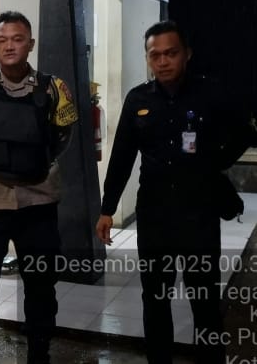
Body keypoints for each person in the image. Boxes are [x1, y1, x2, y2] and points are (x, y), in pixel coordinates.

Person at [95, 20, 252, 364]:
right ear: (148, 58)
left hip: (199, 215)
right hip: (155, 217)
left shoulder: (209, 93)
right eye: (156, 55)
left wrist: (215, 162)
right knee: (155, 300)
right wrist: (107, 209)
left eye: (171, 53)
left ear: (187, 54)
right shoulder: (138, 99)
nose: (163, 61)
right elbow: (122, 157)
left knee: (204, 301)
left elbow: (244, 132)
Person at [0, 11, 78, 364]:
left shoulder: (53, 88)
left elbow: (64, 135)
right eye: (2, 40)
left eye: (17, 39)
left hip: (38, 204)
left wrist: (35, 165)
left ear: (30, 44)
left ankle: (39, 352)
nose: (9, 46)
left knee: (40, 285)